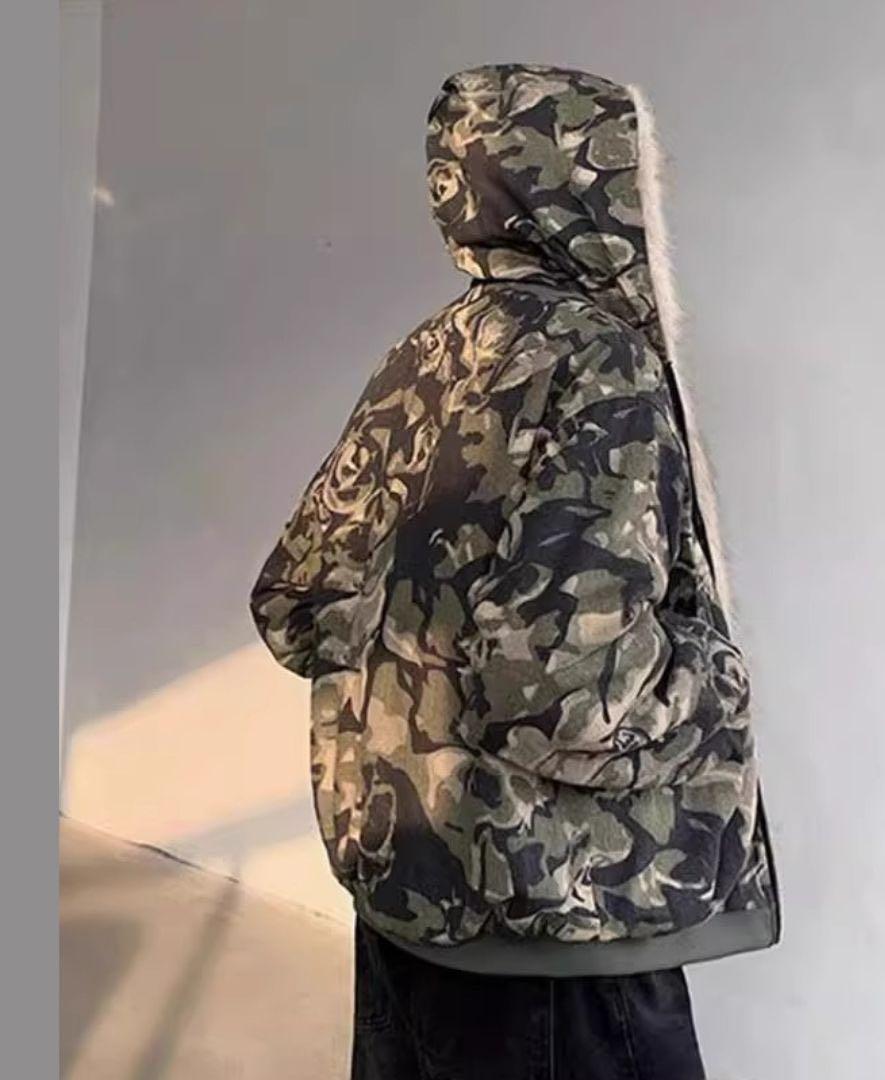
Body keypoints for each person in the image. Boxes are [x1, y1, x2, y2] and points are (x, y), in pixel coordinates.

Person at [249, 62, 781, 1080]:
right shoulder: (602, 364)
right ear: (587, 183)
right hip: (556, 913)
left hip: (409, 884)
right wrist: (718, 680)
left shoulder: (423, 356)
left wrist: (415, 681)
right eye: (642, 164)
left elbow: (298, 603)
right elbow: (566, 689)